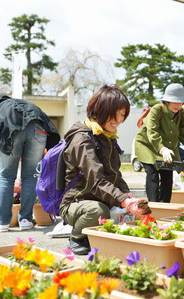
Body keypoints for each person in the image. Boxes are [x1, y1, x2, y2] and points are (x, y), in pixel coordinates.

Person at [60, 85, 151, 255]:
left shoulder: (107, 138)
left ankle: (94, 231)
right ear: (99, 111)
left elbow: (115, 174)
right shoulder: (82, 139)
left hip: (100, 198)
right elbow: (96, 181)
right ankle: (77, 236)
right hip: (76, 202)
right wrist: (123, 200)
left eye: (122, 115)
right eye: (113, 115)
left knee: (127, 209)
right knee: (98, 211)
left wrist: (128, 195)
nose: (118, 120)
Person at [0, 95, 60, 232]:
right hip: (38, 129)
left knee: (6, 176)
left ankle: (2, 223)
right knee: (30, 176)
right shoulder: (26, 103)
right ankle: (25, 220)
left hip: (11, 129)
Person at [134, 83, 184, 203]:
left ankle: (165, 206)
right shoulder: (157, 110)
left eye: (180, 102)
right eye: (174, 102)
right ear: (167, 101)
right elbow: (152, 131)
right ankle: (153, 206)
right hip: (147, 146)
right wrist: (162, 149)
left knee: (167, 176)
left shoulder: (182, 114)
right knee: (152, 174)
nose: (178, 105)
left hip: (168, 149)